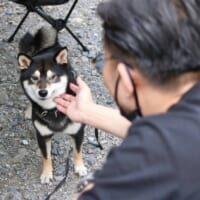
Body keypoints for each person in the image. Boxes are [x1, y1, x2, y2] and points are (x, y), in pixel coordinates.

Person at [54, 0, 200, 199]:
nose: (101, 69)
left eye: (100, 62)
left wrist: (91, 185)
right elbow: (174, 136)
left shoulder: (150, 157)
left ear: (126, 78)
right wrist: (88, 111)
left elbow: (161, 148)